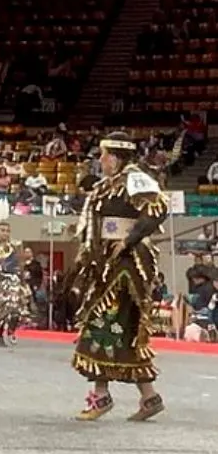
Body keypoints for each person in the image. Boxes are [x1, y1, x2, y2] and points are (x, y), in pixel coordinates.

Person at [71, 131, 168, 421]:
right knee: (123, 329)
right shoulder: (106, 186)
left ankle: (101, 395)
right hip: (107, 263)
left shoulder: (135, 179)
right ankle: (149, 398)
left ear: (115, 156)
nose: (100, 161)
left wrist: (128, 240)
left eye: (103, 155)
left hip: (127, 266)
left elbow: (158, 208)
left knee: (102, 321)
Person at [0, 222, 31, 347]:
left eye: (7, 230)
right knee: (1, 310)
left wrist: (22, 279)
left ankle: (11, 330)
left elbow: (19, 262)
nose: (5, 233)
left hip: (13, 280)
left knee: (15, 307)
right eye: (2, 230)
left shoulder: (15, 246)